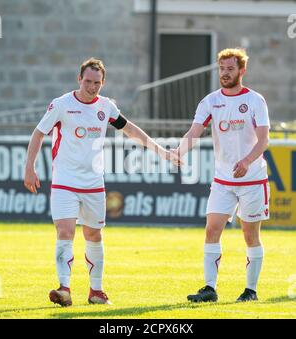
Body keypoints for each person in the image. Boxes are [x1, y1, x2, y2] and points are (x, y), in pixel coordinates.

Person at [24, 58, 180, 307]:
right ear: (79, 79)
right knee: (65, 231)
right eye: (87, 81)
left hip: (94, 183)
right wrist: (29, 166)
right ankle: (64, 288)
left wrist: (163, 152)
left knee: (94, 234)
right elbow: (39, 133)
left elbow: (130, 129)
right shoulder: (62, 105)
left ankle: (96, 291)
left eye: (97, 82)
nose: (92, 86)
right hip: (64, 181)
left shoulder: (106, 107)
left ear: (103, 82)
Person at [173, 48, 270, 302]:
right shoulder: (210, 101)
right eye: (222, 69)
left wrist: (248, 161)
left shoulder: (255, 100)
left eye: (230, 69)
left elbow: (264, 140)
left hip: (252, 179)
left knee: (250, 235)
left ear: (242, 70)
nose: (225, 74)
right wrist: (180, 151)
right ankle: (209, 289)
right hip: (223, 180)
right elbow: (194, 132)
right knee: (212, 229)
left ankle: (250, 291)